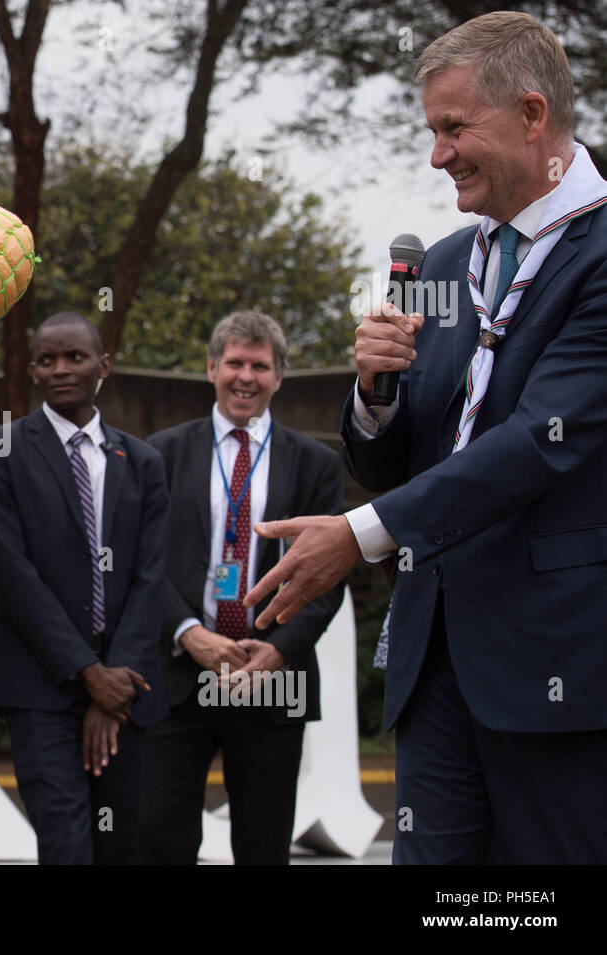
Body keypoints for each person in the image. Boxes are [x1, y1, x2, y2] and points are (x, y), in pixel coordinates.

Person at [244, 12, 607, 864]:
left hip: (559, 660)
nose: (437, 155)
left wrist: (360, 536)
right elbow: (390, 461)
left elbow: (539, 441)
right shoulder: (444, 264)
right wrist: (374, 392)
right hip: (433, 657)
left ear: (531, 115)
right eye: (430, 131)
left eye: (453, 129)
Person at [139, 311, 343, 865]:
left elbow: (327, 579)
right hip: (181, 674)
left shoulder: (317, 464)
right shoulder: (160, 453)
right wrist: (188, 634)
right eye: (234, 363)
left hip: (270, 680)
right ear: (211, 368)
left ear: (279, 376)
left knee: (263, 843)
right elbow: (142, 563)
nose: (245, 377)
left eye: (260, 365)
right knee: (159, 835)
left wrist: (280, 649)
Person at [0, 311, 168, 865]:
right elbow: (13, 576)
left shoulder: (145, 462)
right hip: (41, 687)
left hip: (129, 688)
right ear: (33, 370)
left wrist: (115, 685)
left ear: (103, 365)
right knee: (64, 846)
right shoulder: (1, 453)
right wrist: (88, 674)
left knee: (119, 847)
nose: (61, 369)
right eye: (46, 359)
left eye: (75, 357)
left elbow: (150, 578)